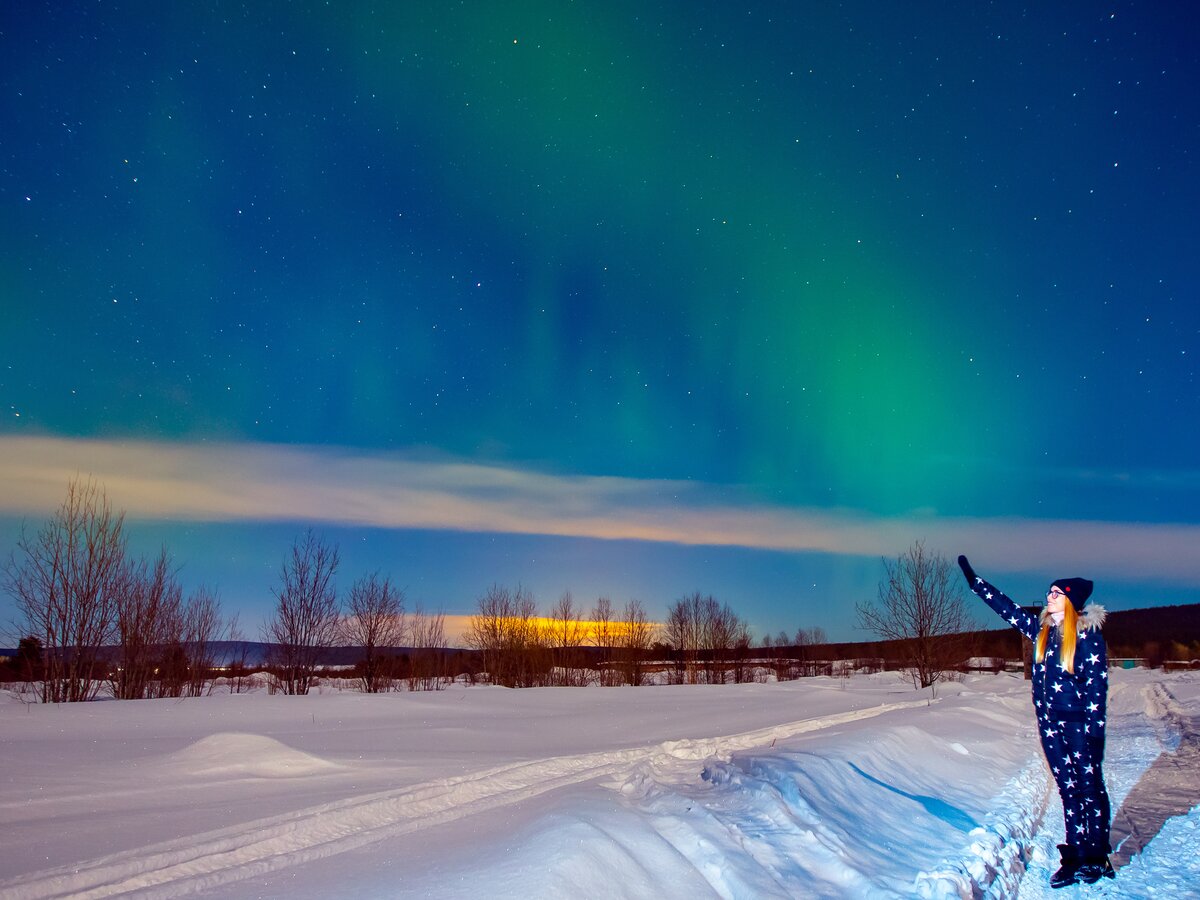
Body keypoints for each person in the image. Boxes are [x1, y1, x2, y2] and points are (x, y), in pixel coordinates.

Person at [957, 555, 1115, 888]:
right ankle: (1074, 855)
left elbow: (1097, 690)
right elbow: (1009, 609)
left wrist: (1095, 734)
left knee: (1089, 788)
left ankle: (1096, 856)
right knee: (1067, 789)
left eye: (1056, 593)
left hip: (1079, 726)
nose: (1049, 596)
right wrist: (976, 583)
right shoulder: (1041, 632)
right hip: (1049, 726)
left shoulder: (1087, 638)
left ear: (1071, 600)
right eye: (1050, 591)